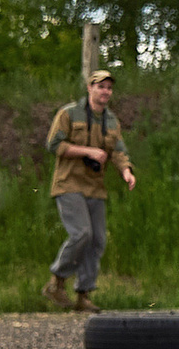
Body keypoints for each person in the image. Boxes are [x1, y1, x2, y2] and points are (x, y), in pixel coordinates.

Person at [43, 70, 134, 314]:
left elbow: (118, 151)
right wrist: (88, 151)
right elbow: (54, 145)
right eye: (100, 86)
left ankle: (83, 295)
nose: (105, 91)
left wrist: (126, 171)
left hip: (95, 187)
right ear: (89, 88)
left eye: (109, 88)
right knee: (81, 233)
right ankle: (56, 282)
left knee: (97, 240)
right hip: (69, 183)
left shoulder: (111, 121)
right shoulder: (69, 113)